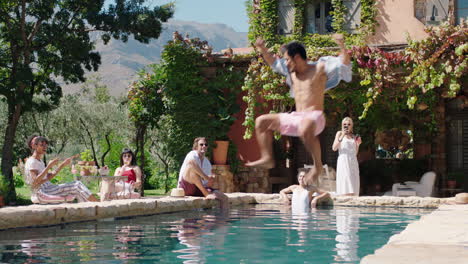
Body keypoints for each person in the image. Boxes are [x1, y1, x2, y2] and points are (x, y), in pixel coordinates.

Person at [247, 34, 352, 185]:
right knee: (261, 121)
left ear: (297, 57)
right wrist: (262, 48)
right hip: (296, 117)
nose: (286, 63)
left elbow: (343, 62)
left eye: (288, 59)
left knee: (305, 127)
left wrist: (342, 45)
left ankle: (317, 167)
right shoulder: (291, 72)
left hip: (315, 117)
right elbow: (273, 62)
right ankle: (267, 158)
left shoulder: (319, 68)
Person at [24, 135, 99, 203]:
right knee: (77, 185)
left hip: (49, 187)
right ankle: (99, 204)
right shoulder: (32, 161)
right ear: (34, 146)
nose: (45, 147)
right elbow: (35, 181)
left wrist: (62, 165)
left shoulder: (39, 161)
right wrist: (49, 167)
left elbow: (48, 177)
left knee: (76, 190)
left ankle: (89, 210)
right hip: (44, 190)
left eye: (45, 145)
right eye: (42, 145)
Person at [178, 137, 228, 209]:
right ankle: (206, 193)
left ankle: (223, 218)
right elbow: (190, 164)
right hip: (187, 188)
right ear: (196, 146)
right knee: (190, 167)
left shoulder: (207, 162)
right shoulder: (192, 154)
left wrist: (210, 180)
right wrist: (205, 177)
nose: (204, 146)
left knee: (224, 197)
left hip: (199, 189)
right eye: (201, 144)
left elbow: (207, 183)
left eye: (206, 145)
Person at [332, 117, 361, 196]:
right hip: (343, 161)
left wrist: (358, 144)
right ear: (342, 125)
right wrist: (343, 135)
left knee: (353, 183)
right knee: (346, 183)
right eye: (344, 124)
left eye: (349, 124)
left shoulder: (354, 136)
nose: (346, 126)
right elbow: (334, 148)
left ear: (351, 125)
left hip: (353, 161)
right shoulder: (339, 133)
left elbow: (355, 153)